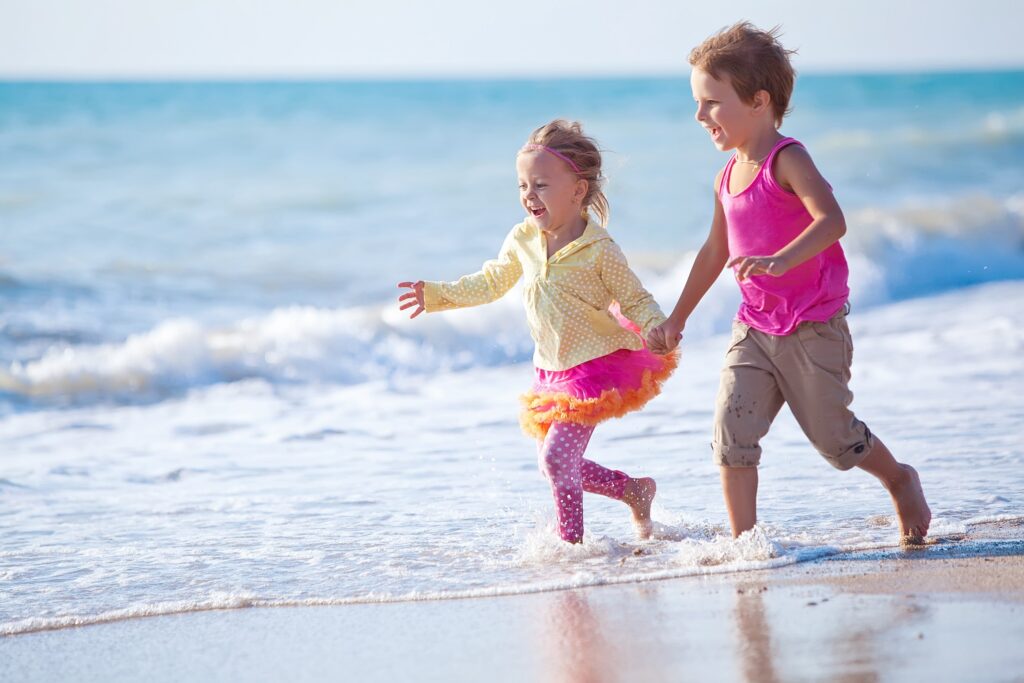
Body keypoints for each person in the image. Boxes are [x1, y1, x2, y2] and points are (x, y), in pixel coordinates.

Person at [648, 22, 931, 544]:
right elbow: (715, 251)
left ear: (758, 101)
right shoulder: (726, 175)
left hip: (812, 327)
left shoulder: (788, 159)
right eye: (697, 102)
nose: (699, 115)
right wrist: (677, 318)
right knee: (731, 435)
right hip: (754, 328)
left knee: (835, 441)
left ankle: (898, 478)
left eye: (711, 102)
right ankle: (745, 545)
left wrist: (781, 259)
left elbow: (832, 220)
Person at [398, 120, 676, 544]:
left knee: (555, 460)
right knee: (557, 464)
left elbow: (636, 299)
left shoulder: (599, 250)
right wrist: (436, 295)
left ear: (578, 190)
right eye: (522, 185)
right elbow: (490, 282)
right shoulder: (523, 239)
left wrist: (658, 327)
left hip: (595, 369)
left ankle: (572, 548)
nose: (529, 195)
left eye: (541, 184)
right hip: (550, 370)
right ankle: (633, 490)